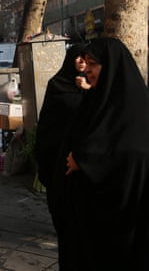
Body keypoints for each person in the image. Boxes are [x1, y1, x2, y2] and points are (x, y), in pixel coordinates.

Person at [57, 38, 149, 270]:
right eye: (85, 63)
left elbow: (135, 153)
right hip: (87, 224)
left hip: (120, 227)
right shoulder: (97, 99)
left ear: (111, 67)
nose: (86, 69)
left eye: (93, 64)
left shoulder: (135, 107)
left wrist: (87, 160)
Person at [33, 44, 90, 230]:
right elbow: (48, 120)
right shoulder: (57, 85)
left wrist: (88, 89)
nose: (82, 61)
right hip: (58, 150)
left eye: (86, 57)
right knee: (60, 195)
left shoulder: (95, 83)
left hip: (85, 152)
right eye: (78, 57)